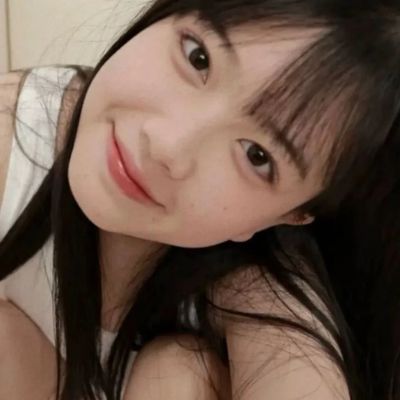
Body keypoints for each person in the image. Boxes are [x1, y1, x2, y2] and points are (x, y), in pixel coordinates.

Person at [0, 0, 398, 399]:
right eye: (198, 57)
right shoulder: (17, 133)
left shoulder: (260, 292)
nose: (167, 147)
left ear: (293, 214)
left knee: (179, 370)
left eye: (256, 156)